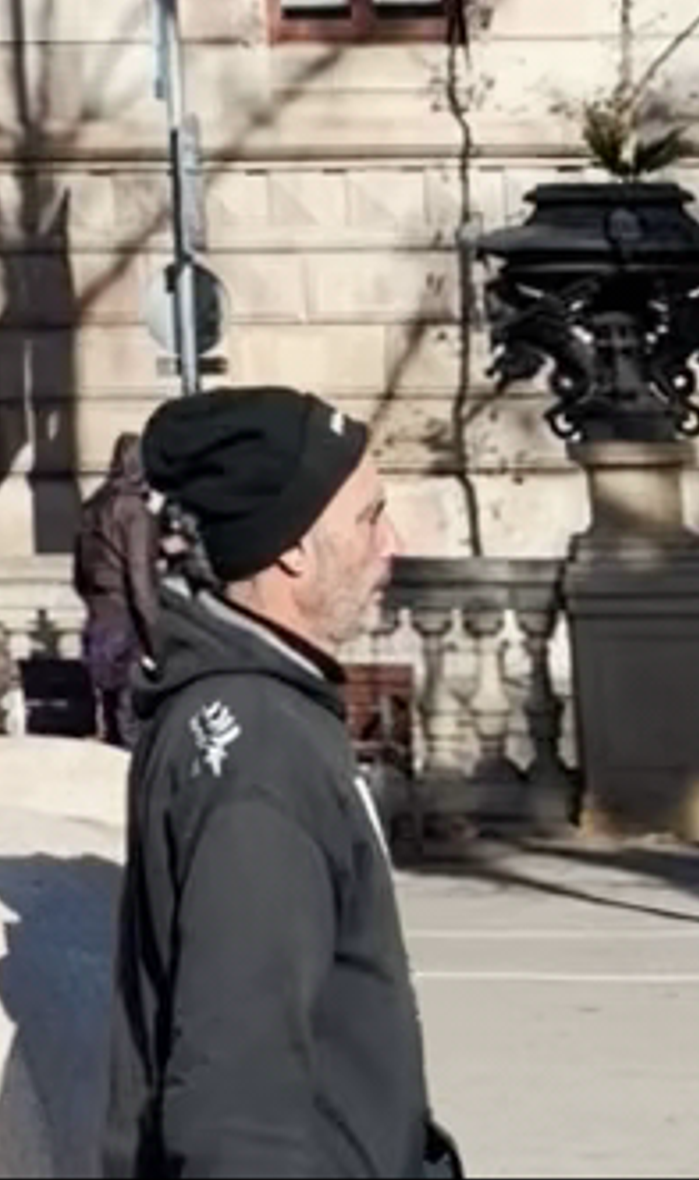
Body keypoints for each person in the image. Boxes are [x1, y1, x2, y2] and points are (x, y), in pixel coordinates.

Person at [103, 381, 459, 1180]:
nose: (390, 543)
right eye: (367, 518)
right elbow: (237, 1084)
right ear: (293, 545)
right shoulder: (259, 747)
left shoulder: (256, 709)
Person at [73, 426, 162, 740]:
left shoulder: (91, 507)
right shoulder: (134, 512)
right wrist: (157, 639)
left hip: (99, 616)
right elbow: (141, 581)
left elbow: (79, 575)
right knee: (130, 725)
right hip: (127, 622)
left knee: (109, 716)